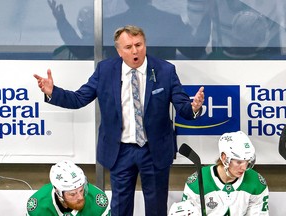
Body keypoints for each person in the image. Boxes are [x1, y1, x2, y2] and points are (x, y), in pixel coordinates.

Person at [33, 25, 204, 216]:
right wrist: (53, 92)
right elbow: (79, 98)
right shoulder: (105, 70)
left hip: (154, 150)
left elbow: (183, 108)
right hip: (120, 151)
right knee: (120, 209)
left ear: (145, 44)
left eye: (138, 45)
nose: (135, 50)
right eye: (128, 47)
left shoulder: (165, 70)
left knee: (156, 208)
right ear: (119, 51)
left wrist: (194, 107)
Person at [180, 131, 269, 215]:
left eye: (247, 162)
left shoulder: (257, 183)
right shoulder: (196, 183)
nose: (244, 168)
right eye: (238, 162)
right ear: (224, 157)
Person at [26, 160, 110, 216]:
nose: (80, 197)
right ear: (58, 193)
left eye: (81, 190)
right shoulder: (38, 207)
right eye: (73, 194)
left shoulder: (98, 201)